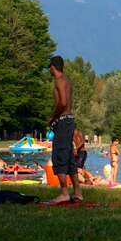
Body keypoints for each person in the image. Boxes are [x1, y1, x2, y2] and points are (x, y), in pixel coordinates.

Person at [46, 55, 82, 204]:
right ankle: (78, 192)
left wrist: (53, 117)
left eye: (49, 67)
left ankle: (64, 193)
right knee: (69, 157)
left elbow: (63, 102)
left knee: (59, 156)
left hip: (62, 122)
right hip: (69, 121)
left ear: (53, 67)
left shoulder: (59, 81)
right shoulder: (67, 81)